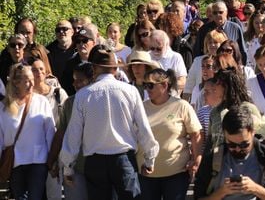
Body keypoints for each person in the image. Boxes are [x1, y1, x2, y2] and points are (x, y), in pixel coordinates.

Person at [60, 44, 160, 200]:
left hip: (95, 162)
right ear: (115, 69)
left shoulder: (83, 95)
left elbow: (74, 134)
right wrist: (150, 158)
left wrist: (68, 167)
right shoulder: (130, 91)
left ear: (94, 69)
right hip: (123, 160)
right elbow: (143, 127)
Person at [194, 105, 265, 200]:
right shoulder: (214, 158)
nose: (238, 149)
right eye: (231, 145)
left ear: (253, 132)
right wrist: (222, 192)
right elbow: (198, 196)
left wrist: (256, 189)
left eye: (244, 145)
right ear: (224, 135)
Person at [138, 67, 202, 200]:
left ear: (164, 85)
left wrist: (196, 160)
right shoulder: (140, 107)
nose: (147, 89)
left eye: (150, 85)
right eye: (145, 85)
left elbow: (196, 134)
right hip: (146, 173)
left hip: (176, 173)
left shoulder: (181, 106)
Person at [0, 64, 56, 200]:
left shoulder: (41, 102)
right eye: (26, 80)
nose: (31, 83)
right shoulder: (3, 107)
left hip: (38, 160)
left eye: (32, 79)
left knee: (35, 196)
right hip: (15, 162)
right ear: (15, 82)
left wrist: (53, 160)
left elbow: (50, 132)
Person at [47, 62, 94, 200]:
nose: (75, 84)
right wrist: (52, 160)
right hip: (75, 166)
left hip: (99, 166)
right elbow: (61, 133)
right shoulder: (70, 103)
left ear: (91, 80)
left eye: (80, 80)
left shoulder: (100, 101)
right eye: (74, 80)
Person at [29, 56, 69, 200]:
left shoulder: (58, 93)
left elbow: (66, 120)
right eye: (34, 70)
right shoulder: (27, 96)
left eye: (41, 69)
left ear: (46, 73)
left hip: (56, 146)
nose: (38, 72)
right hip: (34, 149)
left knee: (54, 192)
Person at [183, 29, 228, 102]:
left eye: (216, 42)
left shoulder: (225, 62)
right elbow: (189, 85)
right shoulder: (198, 61)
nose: (212, 45)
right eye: (210, 43)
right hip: (199, 102)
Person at [148, 30, 187, 94]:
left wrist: (165, 83)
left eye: (159, 49)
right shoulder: (147, 56)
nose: (155, 51)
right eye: (152, 48)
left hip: (170, 99)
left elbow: (183, 82)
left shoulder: (175, 57)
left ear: (166, 45)